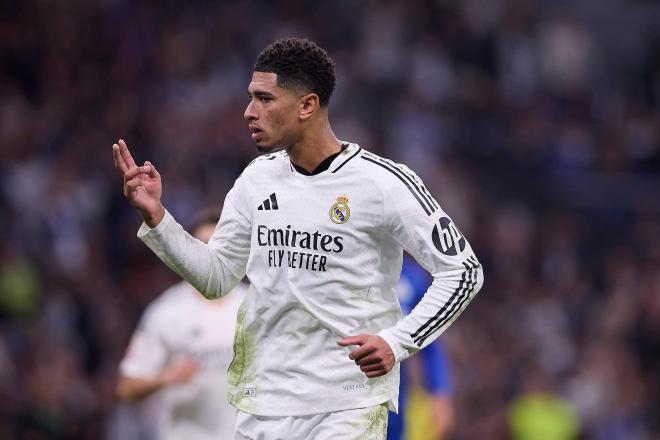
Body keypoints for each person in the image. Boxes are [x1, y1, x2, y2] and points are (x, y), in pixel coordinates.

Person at [111, 37, 483, 439]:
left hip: (347, 403)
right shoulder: (256, 180)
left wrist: (399, 341)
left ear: (307, 105)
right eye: (250, 98)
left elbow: (463, 271)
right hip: (266, 403)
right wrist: (158, 218)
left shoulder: (384, 182)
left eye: (264, 99)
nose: (248, 112)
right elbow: (217, 278)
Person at [116, 208, 246, 440]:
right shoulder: (167, 313)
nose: (211, 253)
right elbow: (127, 386)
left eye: (219, 244)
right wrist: (165, 377)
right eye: (203, 244)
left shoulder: (253, 305)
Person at [388, 254, 454, 440]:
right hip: (345, 390)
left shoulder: (411, 278)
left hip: (396, 396)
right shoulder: (347, 267)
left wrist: (440, 392)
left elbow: (431, 340)